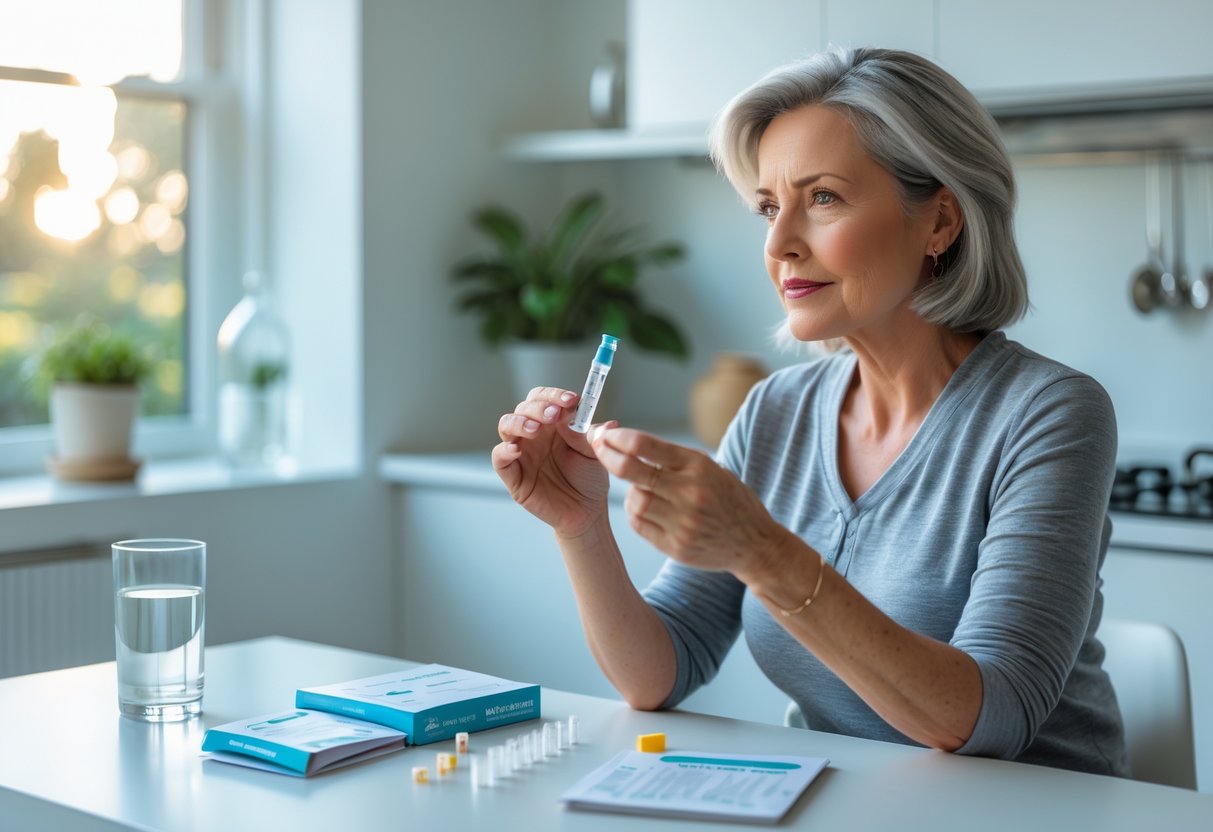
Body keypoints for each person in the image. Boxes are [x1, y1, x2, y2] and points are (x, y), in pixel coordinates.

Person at [491, 47, 1127, 776]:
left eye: (822, 197)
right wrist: (580, 526)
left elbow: (990, 717)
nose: (778, 243)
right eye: (768, 206)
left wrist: (763, 551)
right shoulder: (775, 413)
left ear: (940, 222)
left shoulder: (1046, 414)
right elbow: (658, 671)